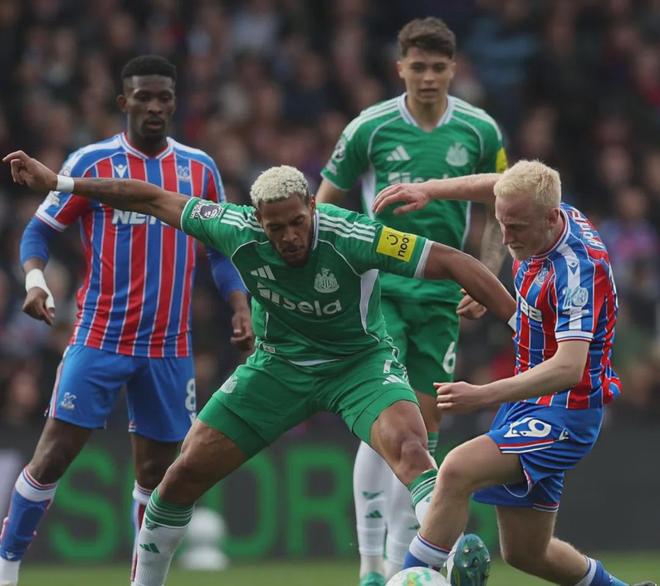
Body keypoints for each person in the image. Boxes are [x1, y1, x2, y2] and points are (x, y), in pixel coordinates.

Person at [3, 151, 518, 586]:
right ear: (257, 220)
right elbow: (149, 197)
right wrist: (62, 183)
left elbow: (452, 261)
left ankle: (447, 558)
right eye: (276, 228)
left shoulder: (355, 234)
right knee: (180, 477)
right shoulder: (233, 227)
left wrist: (520, 324)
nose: (289, 236)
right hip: (277, 367)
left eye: (297, 222)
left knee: (410, 448)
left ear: (312, 206)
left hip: (359, 366)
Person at [0, 56, 253, 586]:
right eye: (144, 97)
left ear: (174, 102)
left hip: (169, 347)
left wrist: (239, 304)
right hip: (100, 337)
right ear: (124, 102)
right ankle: (6, 568)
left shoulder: (200, 169)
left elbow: (221, 249)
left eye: (164, 97)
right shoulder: (91, 162)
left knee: (157, 477)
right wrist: (36, 281)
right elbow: (38, 231)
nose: (155, 106)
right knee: (52, 456)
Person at [373, 161, 656, 586]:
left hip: (566, 411)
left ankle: (409, 577)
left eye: (517, 227)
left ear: (549, 217)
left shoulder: (577, 272)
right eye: (502, 222)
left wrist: (481, 395)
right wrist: (430, 189)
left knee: (456, 469)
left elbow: (569, 368)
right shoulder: (546, 209)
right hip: (529, 400)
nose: (506, 237)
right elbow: (497, 186)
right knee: (526, 552)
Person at [316, 17, 508, 584]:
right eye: (418, 66)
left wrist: (485, 273)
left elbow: (502, 202)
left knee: (424, 427)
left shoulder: (480, 130)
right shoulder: (369, 127)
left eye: (438, 67)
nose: (427, 77)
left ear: (453, 69)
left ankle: (406, 566)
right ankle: (370, 566)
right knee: (388, 415)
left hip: (441, 296)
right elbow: (324, 205)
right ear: (400, 67)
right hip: (383, 290)